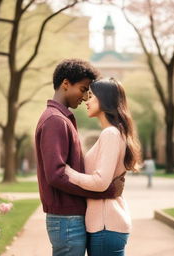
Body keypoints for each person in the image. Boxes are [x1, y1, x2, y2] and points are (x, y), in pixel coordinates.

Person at [35, 59, 125, 256]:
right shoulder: (55, 121)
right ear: (66, 84)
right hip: (66, 218)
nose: (85, 97)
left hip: (70, 217)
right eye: (83, 89)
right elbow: (57, 175)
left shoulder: (62, 119)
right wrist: (105, 192)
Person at [65, 78, 141, 256]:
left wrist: (68, 172)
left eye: (91, 96)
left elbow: (101, 182)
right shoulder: (116, 132)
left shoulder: (111, 134)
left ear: (104, 100)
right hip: (107, 225)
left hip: (106, 226)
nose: (86, 100)